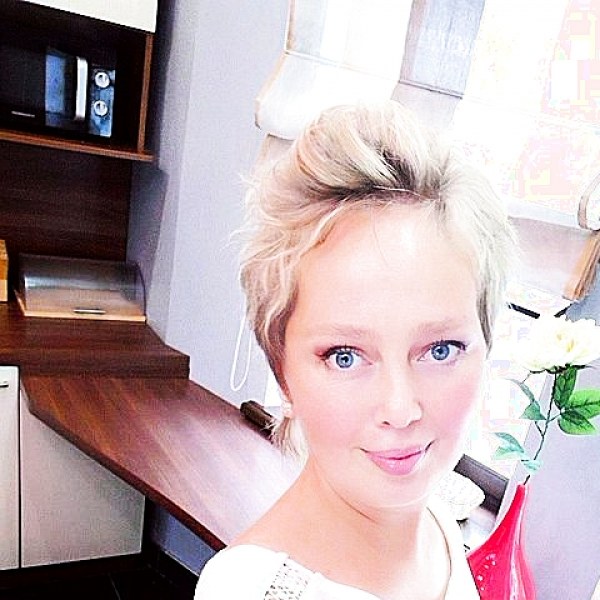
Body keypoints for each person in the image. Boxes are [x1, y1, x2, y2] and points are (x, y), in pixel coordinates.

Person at [195, 100, 515, 599]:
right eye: (344, 356)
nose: (401, 411)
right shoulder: (251, 591)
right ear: (282, 371)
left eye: (441, 350)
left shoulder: (431, 512)